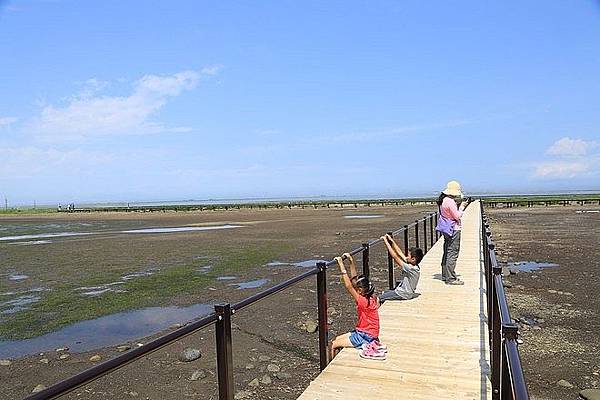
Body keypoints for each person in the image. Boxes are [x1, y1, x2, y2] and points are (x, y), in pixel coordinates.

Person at [330, 253, 386, 360]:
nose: (356, 289)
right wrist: (351, 261)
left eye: (358, 289)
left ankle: (328, 368)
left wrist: (341, 265)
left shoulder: (362, 301)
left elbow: (349, 286)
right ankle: (336, 360)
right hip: (369, 333)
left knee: (332, 344)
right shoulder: (371, 298)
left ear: (360, 291)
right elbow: (355, 281)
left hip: (364, 336)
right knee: (337, 338)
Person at [436, 180, 471, 285]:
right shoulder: (450, 201)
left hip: (446, 229)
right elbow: (457, 216)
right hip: (454, 229)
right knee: (453, 253)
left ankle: (445, 275)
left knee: (447, 251)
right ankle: (451, 278)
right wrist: (462, 207)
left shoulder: (443, 200)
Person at [379, 234, 423, 302]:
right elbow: (399, 252)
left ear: (413, 259)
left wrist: (386, 242)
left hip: (402, 293)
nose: (406, 257)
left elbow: (395, 257)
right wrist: (391, 240)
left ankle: (374, 312)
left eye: (408, 255)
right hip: (405, 292)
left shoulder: (410, 268)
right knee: (384, 292)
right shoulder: (414, 265)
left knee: (379, 298)